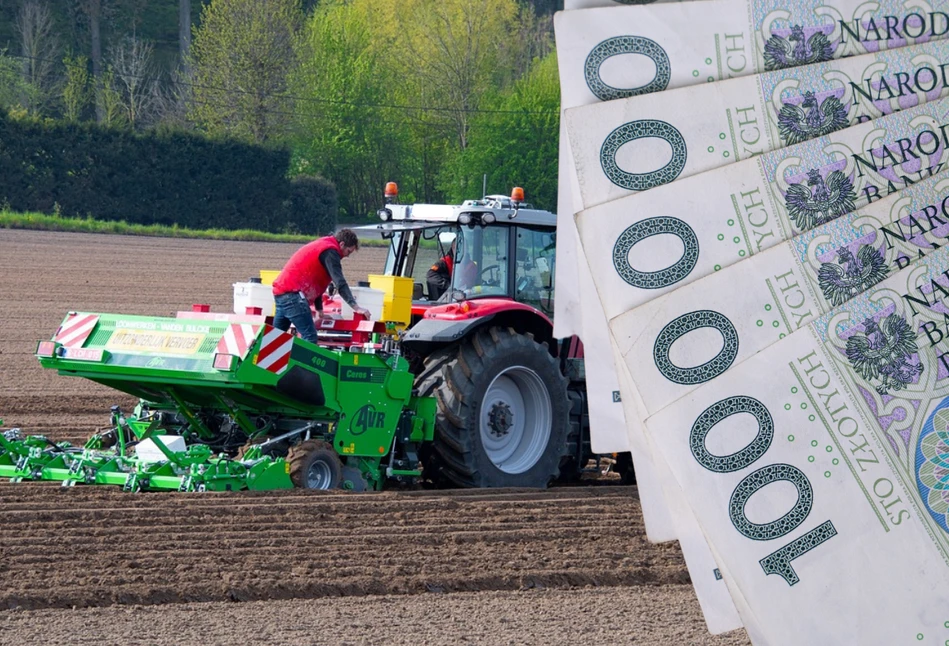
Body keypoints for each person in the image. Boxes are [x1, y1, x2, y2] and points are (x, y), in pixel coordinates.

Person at [272, 229, 371, 343]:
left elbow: (316, 282)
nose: (347, 256)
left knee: (275, 340)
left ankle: (265, 360)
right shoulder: (330, 252)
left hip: (282, 293)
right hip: (293, 295)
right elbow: (340, 283)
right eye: (348, 251)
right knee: (310, 337)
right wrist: (356, 308)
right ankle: (302, 361)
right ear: (342, 244)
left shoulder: (323, 245)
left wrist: (319, 310)